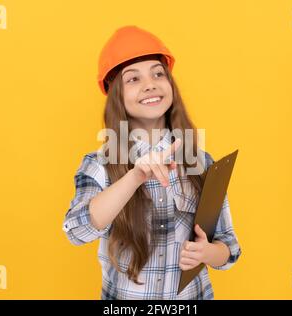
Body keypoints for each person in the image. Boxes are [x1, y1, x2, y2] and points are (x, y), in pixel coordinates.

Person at [62, 25, 241, 300]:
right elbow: (76, 231)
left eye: (158, 73)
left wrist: (208, 253)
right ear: (115, 96)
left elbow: (229, 248)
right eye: (133, 79)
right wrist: (134, 177)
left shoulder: (201, 162)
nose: (150, 84)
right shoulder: (99, 163)